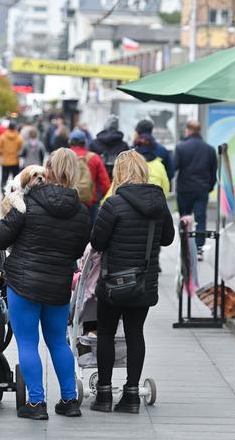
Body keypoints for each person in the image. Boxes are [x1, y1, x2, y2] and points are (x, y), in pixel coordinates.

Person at [0, 148, 90, 420]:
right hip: (58, 284)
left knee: (27, 343)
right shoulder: (82, 211)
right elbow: (77, 250)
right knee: (58, 342)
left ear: (48, 169)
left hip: (23, 283)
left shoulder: (27, 203)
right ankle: (69, 401)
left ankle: (36, 404)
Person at [89, 150, 175, 414]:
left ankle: (104, 395)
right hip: (143, 284)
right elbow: (168, 238)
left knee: (105, 333)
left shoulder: (113, 205)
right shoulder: (159, 205)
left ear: (120, 173)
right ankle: (132, 395)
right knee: (135, 333)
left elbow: (97, 242)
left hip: (114, 283)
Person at [173, 120, 217, 253]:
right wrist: (209, 186)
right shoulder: (209, 149)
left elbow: (174, 167)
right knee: (200, 218)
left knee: (184, 218)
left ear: (188, 130)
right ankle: (198, 247)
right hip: (202, 189)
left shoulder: (181, 147)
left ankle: (185, 245)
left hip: (184, 189)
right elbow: (213, 171)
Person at [69, 129, 111, 223]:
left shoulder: (65, 157)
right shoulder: (94, 157)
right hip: (90, 202)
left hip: (68, 200)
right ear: (85, 142)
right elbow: (105, 183)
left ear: (70, 141)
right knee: (91, 232)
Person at [90, 114, 130, 180]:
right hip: (118, 181)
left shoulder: (93, 143)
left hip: (97, 180)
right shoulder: (124, 145)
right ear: (117, 127)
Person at [135, 119, 174, 183]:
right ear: (151, 130)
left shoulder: (133, 150)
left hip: (136, 190)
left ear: (137, 132)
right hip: (157, 189)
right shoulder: (162, 150)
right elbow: (170, 173)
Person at [0, 121, 23, 194]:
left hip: (5, 161)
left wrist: (3, 154)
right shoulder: (19, 137)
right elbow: (21, 148)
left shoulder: (3, 137)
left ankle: (3, 192)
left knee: (4, 179)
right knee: (15, 179)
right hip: (15, 161)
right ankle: (15, 192)